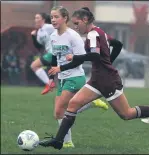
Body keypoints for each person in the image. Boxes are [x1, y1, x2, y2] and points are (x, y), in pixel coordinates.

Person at [39, 7, 149, 150]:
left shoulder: (93, 34)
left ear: (85, 20)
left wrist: (76, 57)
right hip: (96, 80)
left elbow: (95, 56)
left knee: (127, 114)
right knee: (73, 104)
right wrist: (108, 62)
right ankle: (58, 141)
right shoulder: (100, 32)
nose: (75, 27)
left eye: (76, 23)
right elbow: (118, 44)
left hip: (108, 81)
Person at [38, 6, 109, 148]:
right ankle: (89, 105)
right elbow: (54, 58)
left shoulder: (73, 36)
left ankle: (66, 142)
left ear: (65, 18)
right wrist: (52, 79)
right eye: (51, 17)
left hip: (75, 77)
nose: (53, 20)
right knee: (58, 113)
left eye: (56, 17)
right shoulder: (53, 36)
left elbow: (80, 59)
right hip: (62, 78)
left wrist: (61, 68)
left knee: (63, 108)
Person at [30, 13, 56, 95]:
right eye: (35, 18)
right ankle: (49, 83)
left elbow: (61, 29)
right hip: (51, 54)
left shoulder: (48, 27)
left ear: (43, 19)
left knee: (34, 65)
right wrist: (33, 37)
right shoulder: (39, 33)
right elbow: (39, 47)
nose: (36, 20)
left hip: (55, 53)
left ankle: (49, 84)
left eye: (38, 18)